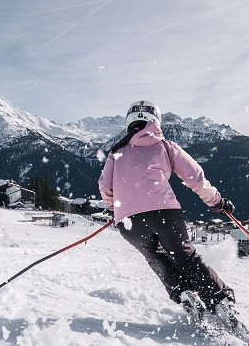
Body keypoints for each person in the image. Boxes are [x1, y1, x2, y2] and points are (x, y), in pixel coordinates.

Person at [98, 101, 237, 324]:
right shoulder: (165, 146)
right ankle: (219, 301)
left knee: (156, 258)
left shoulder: (116, 153)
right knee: (185, 257)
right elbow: (195, 177)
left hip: (128, 222)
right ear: (155, 121)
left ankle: (184, 294)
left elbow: (105, 186)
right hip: (163, 212)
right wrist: (216, 202)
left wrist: (113, 208)